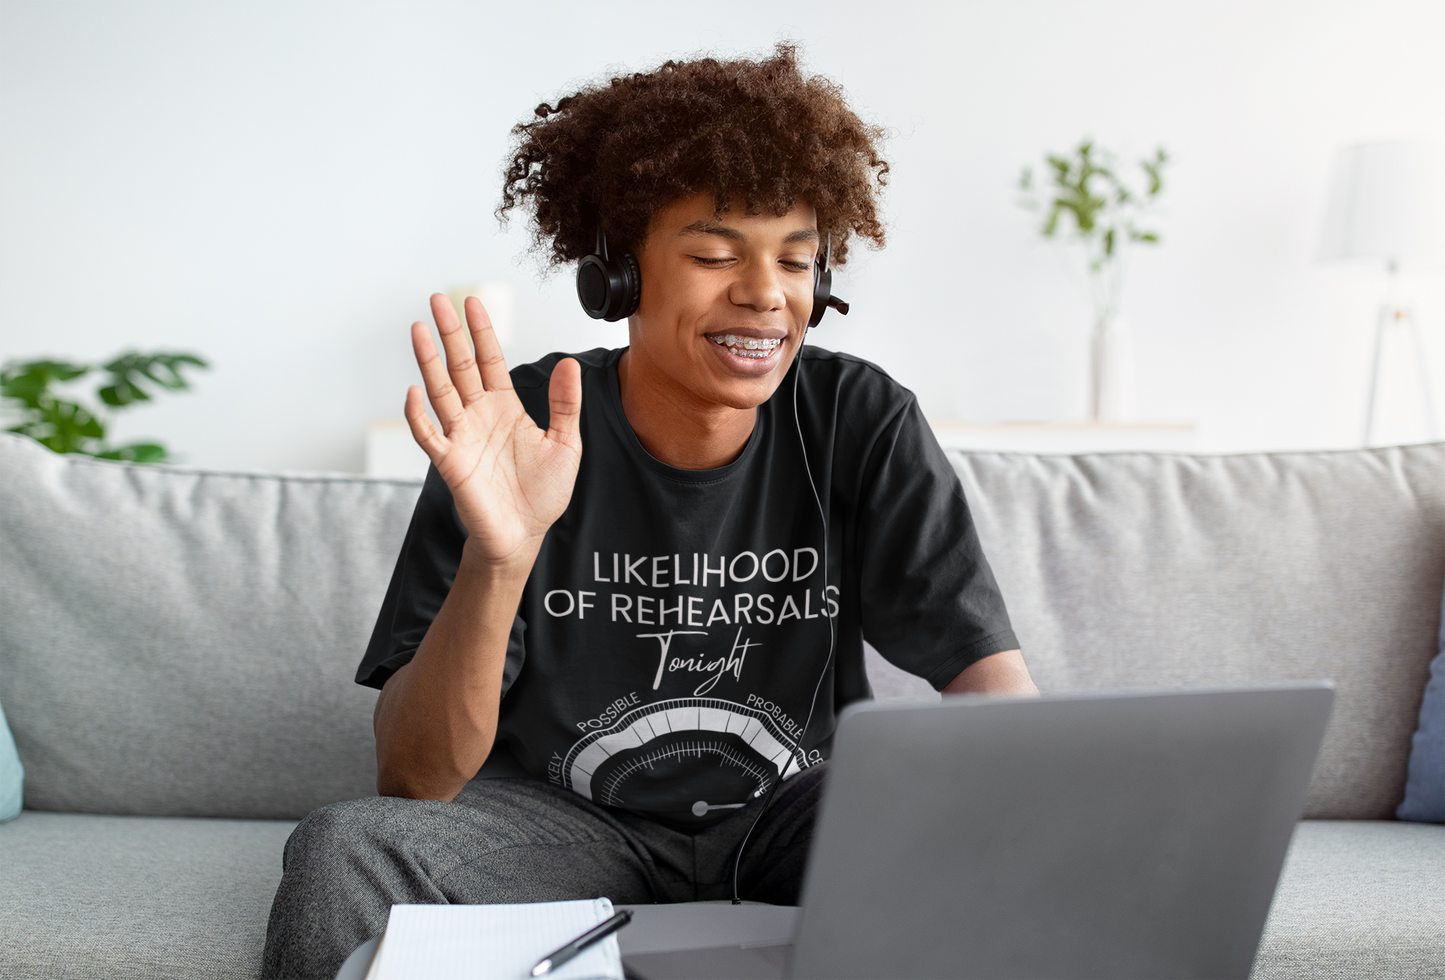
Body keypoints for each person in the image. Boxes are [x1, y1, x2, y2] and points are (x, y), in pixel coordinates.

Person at [261, 43, 1037, 980]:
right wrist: (499, 557)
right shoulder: (513, 428)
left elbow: (990, 688)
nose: (764, 295)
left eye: (796, 263)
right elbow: (416, 781)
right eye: (714, 255)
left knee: (1010, 827)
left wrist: (1032, 811)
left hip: (793, 819)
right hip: (564, 826)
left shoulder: (858, 420)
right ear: (617, 276)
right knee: (344, 849)